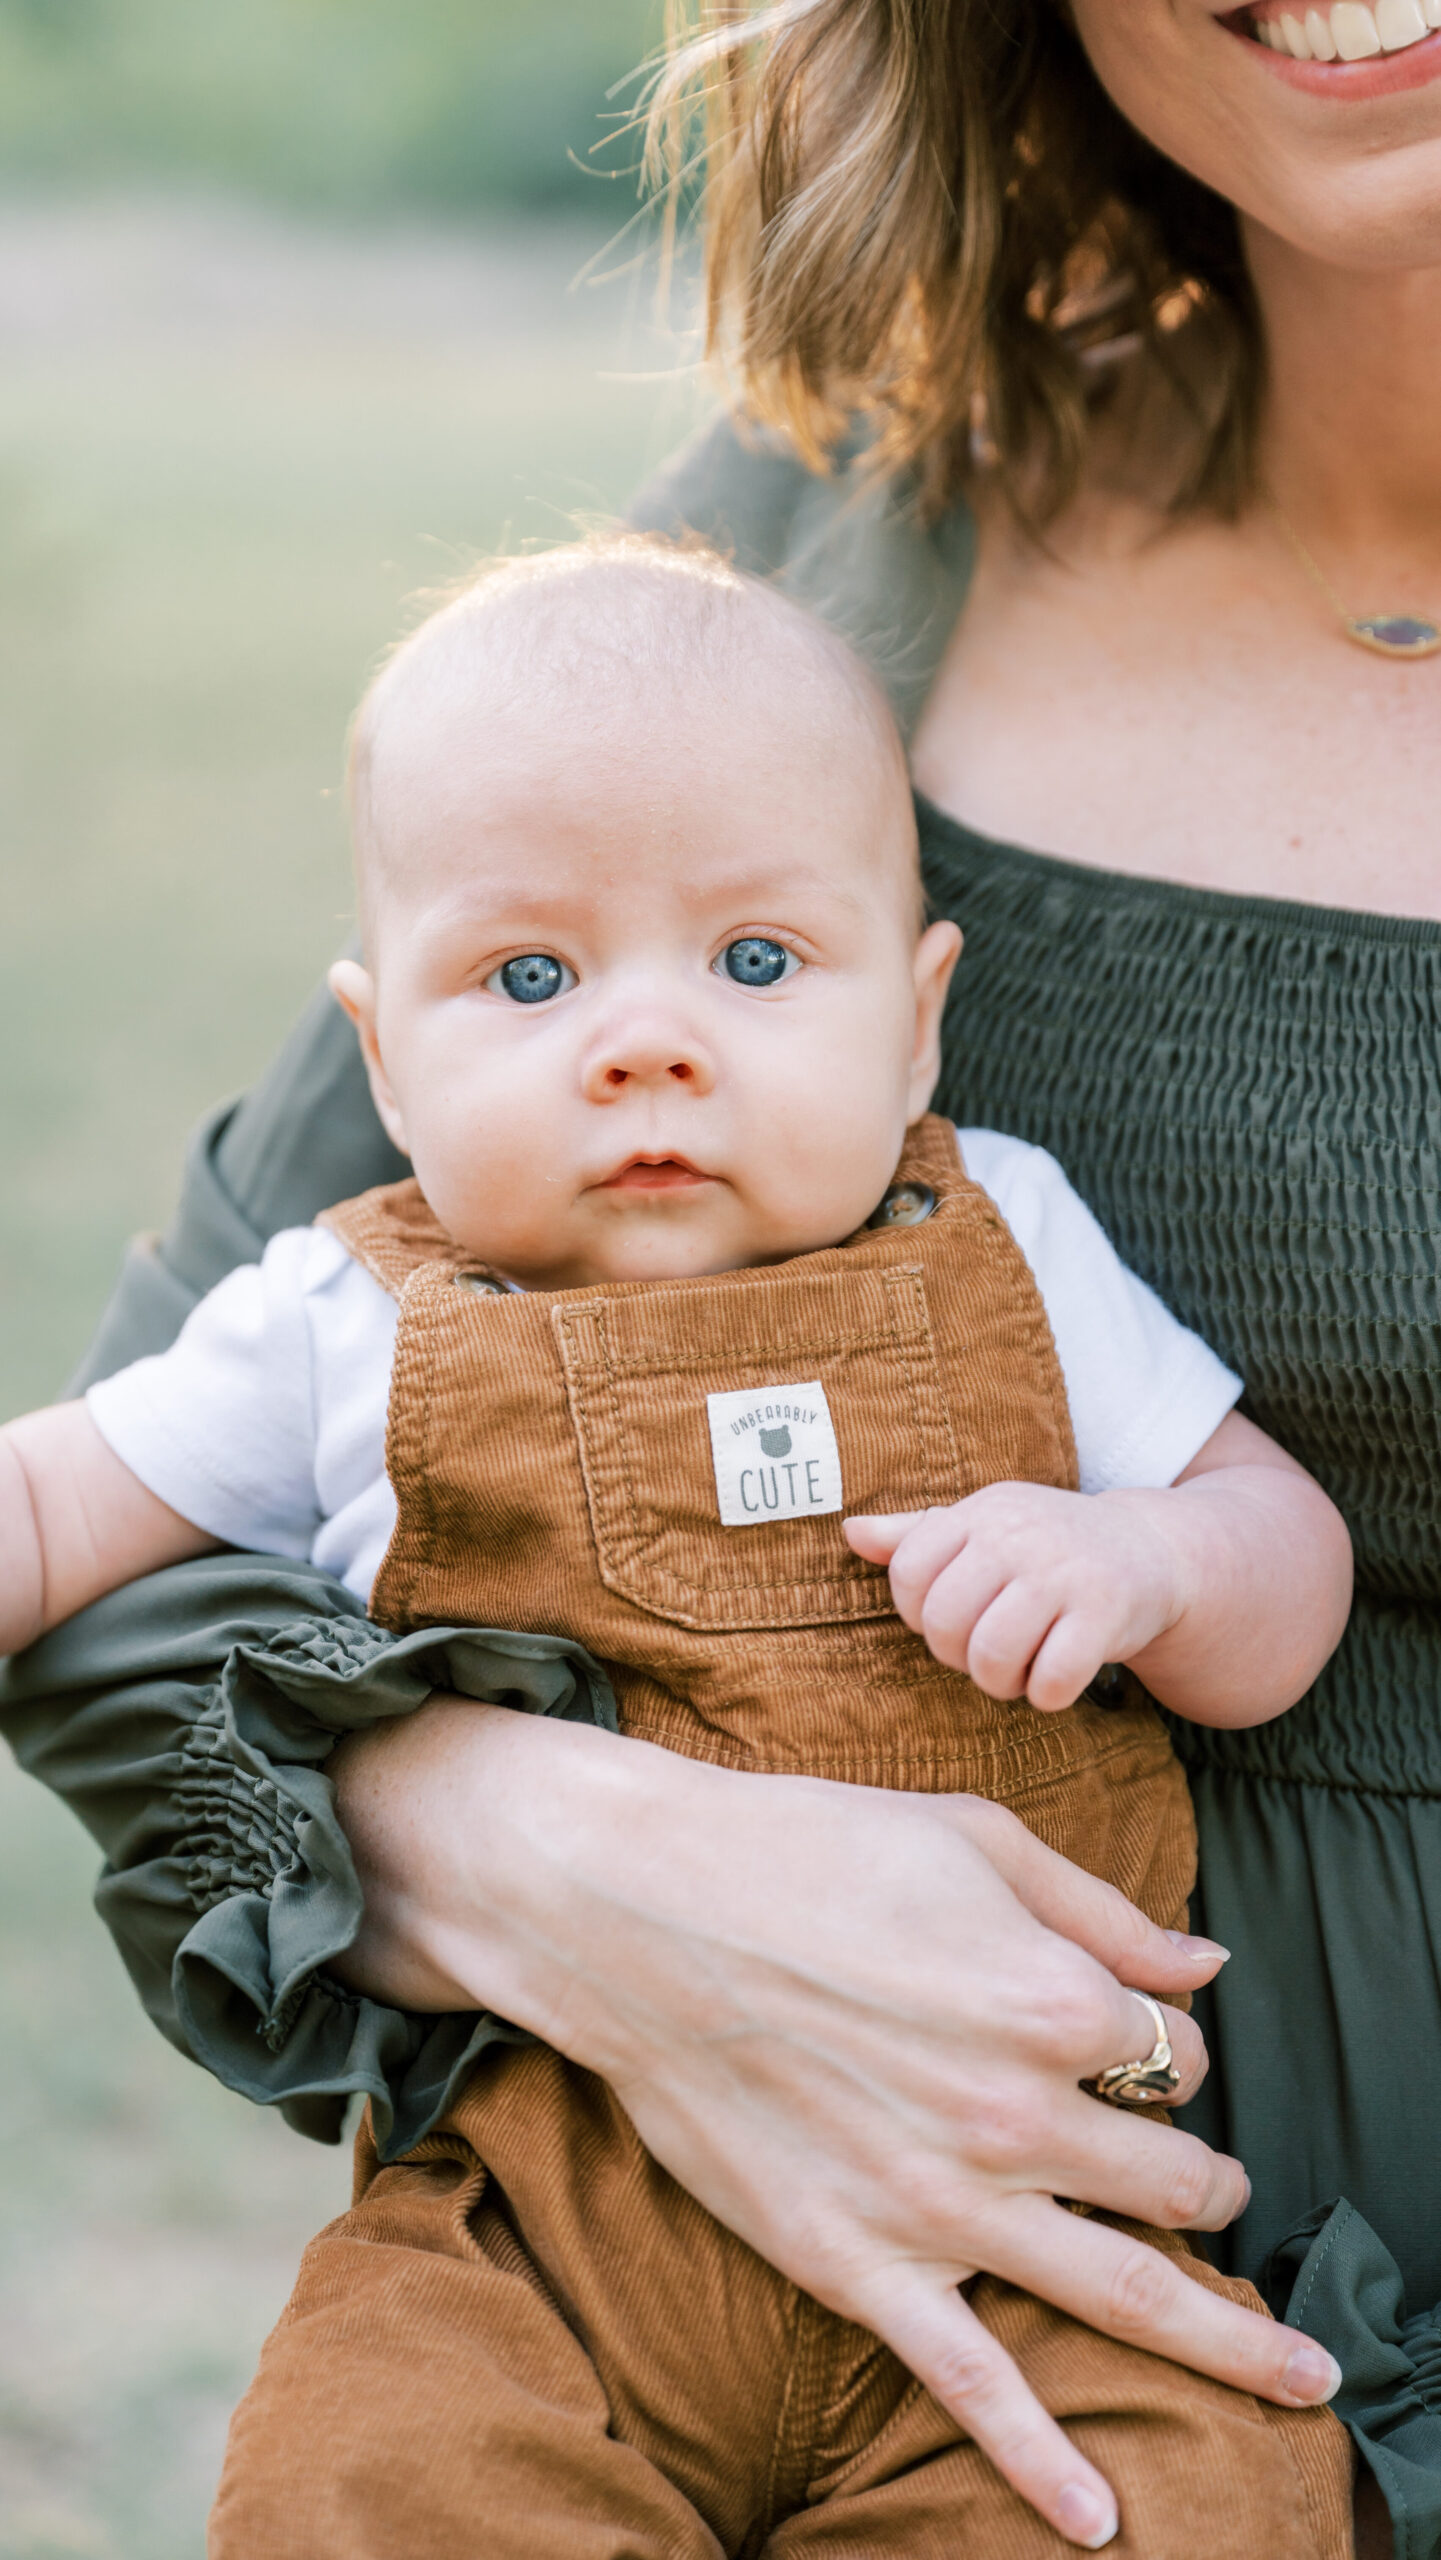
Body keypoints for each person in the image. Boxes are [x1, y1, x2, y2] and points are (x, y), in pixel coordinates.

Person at [3, 0, 1438, 2549]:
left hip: (1189, 2335)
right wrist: (548, 1854)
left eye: (759, 978)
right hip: (632, 2256)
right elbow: (148, 1532)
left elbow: (1252, 1548)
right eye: (552, 991)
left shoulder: (1030, 1269)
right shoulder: (822, 532)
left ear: (922, 1005)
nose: (647, 1044)